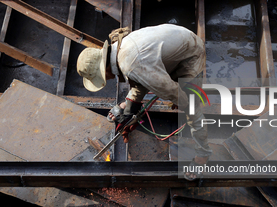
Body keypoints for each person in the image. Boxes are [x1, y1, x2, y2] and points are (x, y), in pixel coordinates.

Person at [76, 24, 212, 180]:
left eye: (102, 77)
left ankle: (203, 155)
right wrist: (130, 110)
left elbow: (169, 89)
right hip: (178, 41)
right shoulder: (120, 49)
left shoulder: (131, 65)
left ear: (104, 70)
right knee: (156, 87)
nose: (106, 79)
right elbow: (141, 79)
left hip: (191, 53)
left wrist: (181, 101)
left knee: (191, 107)